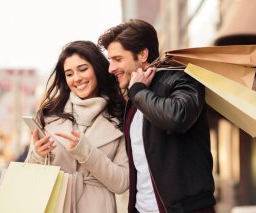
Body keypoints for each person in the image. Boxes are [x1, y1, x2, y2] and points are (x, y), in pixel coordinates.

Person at [98, 19, 216, 213]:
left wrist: (138, 91)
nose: (111, 68)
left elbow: (177, 116)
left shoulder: (182, 78)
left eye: (117, 59)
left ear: (143, 54)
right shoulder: (135, 99)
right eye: (110, 60)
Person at [25, 40, 129, 213]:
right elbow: (30, 174)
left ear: (97, 69)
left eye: (83, 69)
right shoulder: (48, 115)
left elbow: (121, 183)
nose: (77, 78)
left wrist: (86, 152)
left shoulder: (120, 116)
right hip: (55, 205)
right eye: (69, 73)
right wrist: (37, 156)